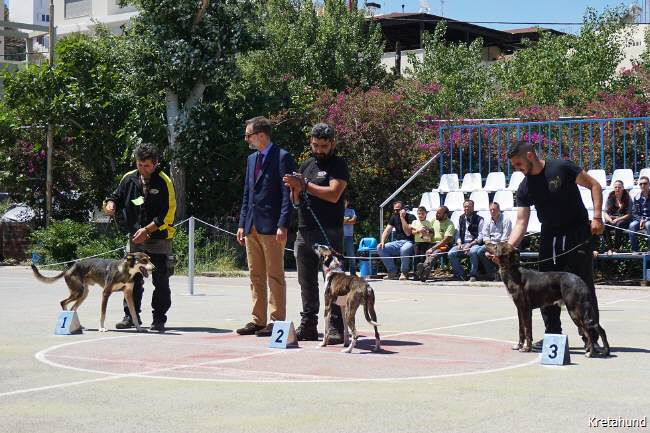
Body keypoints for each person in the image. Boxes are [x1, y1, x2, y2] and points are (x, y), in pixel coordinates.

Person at [505, 141, 603, 349]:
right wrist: (507, 248)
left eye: (518, 164)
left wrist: (597, 217)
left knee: (582, 286)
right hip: (549, 236)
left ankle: (591, 337)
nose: (517, 169)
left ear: (530, 155)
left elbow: (594, 185)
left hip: (577, 233)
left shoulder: (561, 167)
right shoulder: (524, 187)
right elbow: (521, 222)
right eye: (514, 166)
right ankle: (553, 335)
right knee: (544, 287)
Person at [283, 123, 348, 344]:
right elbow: (297, 200)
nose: (319, 150)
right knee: (306, 282)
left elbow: (334, 194)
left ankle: (336, 326)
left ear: (332, 143)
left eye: (323, 146)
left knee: (334, 281)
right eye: (315, 145)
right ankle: (309, 325)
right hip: (304, 231)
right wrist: (294, 189)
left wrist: (304, 184)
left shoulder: (338, 165)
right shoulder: (307, 165)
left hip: (329, 230)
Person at [105, 143, 176, 332]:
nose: (143, 169)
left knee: (160, 280)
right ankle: (130, 316)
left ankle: (159, 319)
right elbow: (115, 196)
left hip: (159, 237)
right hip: (135, 238)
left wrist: (147, 230)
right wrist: (111, 204)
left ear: (155, 164)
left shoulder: (164, 181)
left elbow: (168, 214)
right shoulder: (128, 178)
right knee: (132, 279)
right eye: (139, 164)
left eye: (147, 166)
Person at [236, 116, 296, 337]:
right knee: (255, 275)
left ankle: (276, 320)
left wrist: (283, 224)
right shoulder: (252, 159)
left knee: (275, 275)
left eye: (248, 135)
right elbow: (247, 194)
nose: (246, 139)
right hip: (251, 225)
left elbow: (287, 195)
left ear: (261, 135)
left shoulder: (282, 157)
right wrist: (242, 223)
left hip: (272, 226)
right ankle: (258, 320)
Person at [447, 199, 484, 282]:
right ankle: (461, 274)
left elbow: (481, 235)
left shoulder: (479, 219)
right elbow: (457, 233)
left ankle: (473, 274)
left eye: (468, 207)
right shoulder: (461, 218)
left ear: (473, 208)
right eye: (465, 207)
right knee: (451, 253)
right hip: (463, 243)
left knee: (473, 252)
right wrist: (459, 243)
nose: (466, 208)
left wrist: (470, 245)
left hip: (475, 244)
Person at [378, 201, 416, 280]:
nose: (396, 211)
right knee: (380, 248)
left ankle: (404, 272)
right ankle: (392, 272)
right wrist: (382, 241)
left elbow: (408, 233)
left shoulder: (411, 217)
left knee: (404, 249)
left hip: (409, 242)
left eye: (398, 210)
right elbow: (387, 231)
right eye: (394, 210)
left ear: (404, 209)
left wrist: (402, 218)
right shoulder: (393, 217)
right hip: (398, 242)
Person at [416, 206, 455, 281]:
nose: (436, 214)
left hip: (443, 245)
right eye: (436, 212)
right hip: (431, 243)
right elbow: (430, 232)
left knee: (433, 254)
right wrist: (424, 232)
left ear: (445, 215)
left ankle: (422, 269)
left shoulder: (450, 224)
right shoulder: (434, 220)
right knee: (423, 251)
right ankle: (424, 273)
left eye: (439, 213)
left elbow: (445, 240)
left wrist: (433, 248)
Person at [478, 202, 512, 280]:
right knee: (480, 252)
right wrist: (490, 248)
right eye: (491, 210)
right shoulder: (487, 220)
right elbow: (485, 236)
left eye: (494, 209)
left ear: (499, 210)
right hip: (491, 244)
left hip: (502, 244)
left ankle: (502, 274)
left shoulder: (506, 220)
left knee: (499, 253)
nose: (492, 211)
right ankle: (492, 273)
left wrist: (495, 251)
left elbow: (505, 237)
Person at [603, 179, 632, 254]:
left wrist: (618, 219)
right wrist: (609, 219)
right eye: (615, 187)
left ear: (623, 188)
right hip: (612, 219)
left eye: (619, 187)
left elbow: (629, 215)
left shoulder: (628, 198)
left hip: (624, 219)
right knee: (605, 226)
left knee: (619, 225)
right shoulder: (610, 196)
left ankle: (616, 248)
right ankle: (610, 248)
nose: (617, 189)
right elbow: (605, 213)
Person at [410, 206, 433, 279]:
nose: (420, 215)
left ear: (425, 214)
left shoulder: (428, 222)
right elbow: (412, 232)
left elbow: (431, 233)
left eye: (422, 214)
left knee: (423, 258)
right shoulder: (414, 222)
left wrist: (426, 230)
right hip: (417, 243)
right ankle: (416, 274)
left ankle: (423, 274)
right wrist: (418, 231)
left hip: (425, 243)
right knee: (416, 258)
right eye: (419, 214)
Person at [628, 176, 650, 253]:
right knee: (632, 225)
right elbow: (634, 212)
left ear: (649, 184)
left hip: (649, 219)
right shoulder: (636, 197)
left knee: (648, 225)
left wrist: (646, 220)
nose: (643, 185)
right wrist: (641, 220)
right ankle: (635, 250)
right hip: (640, 220)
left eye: (645, 183)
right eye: (641, 184)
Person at [343, 199, 357, 276]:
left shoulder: (352, 211)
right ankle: (341, 274)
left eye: (345, 201)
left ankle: (353, 274)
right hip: (340, 236)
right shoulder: (337, 211)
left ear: (347, 202)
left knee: (351, 256)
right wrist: (349, 218)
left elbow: (354, 221)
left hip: (349, 236)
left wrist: (345, 219)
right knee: (340, 255)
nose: (343, 203)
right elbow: (339, 221)